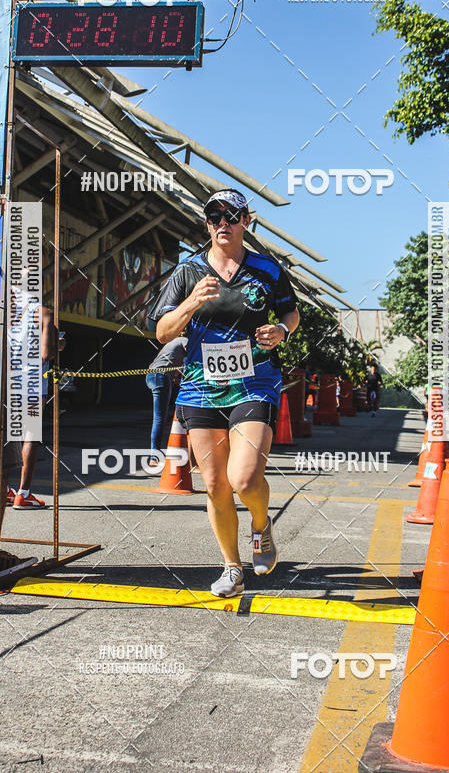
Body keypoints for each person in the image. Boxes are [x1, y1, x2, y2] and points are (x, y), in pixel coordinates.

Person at [148, 189, 300, 598]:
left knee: (245, 478)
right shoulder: (187, 272)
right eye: (214, 216)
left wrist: (281, 331)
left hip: (255, 382)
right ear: (206, 223)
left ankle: (261, 525)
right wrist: (190, 305)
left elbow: (291, 311)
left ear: (246, 221)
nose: (222, 224)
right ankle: (232, 567)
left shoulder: (267, 269)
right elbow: (161, 331)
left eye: (231, 216)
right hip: (200, 388)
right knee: (215, 486)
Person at [7, 304, 62, 509]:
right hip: (32, 386)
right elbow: (46, 354)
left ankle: (4, 491)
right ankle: (23, 493)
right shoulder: (44, 313)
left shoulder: (6, 312)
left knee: (6, 437)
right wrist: (58, 342)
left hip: (9, 382)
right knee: (30, 436)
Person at [145, 335, 188, 467]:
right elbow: (190, 360)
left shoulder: (173, 342)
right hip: (161, 375)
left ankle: (154, 456)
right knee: (159, 418)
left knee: (159, 417)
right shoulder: (185, 340)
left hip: (151, 375)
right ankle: (154, 457)